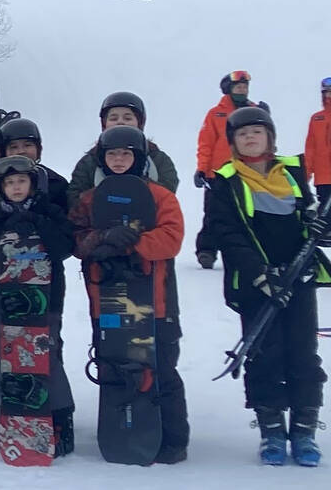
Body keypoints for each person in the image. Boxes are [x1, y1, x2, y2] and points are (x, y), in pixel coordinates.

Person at [205, 105, 327, 465]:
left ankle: (304, 430)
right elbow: (226, 232)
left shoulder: (291, 170)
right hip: (257, 283)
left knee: (303, 353)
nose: (250, 138)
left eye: (257, 132)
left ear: (269, 137)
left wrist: (317, 224)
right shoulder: (224, 180)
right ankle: (272, 430)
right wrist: (260, 273)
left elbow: (307, 215)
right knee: (264, 354)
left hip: (298, 276)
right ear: (233, 143)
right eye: (243, 134)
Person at [71, 125, 188, 463]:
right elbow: (76, 237)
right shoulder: (90, 198)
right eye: (112, 154)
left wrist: (133, 243)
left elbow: (172, 238)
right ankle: (122, 429)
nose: (119, 160)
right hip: (107, 299)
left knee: (162, 369)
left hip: (155, 302)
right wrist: (99, 241)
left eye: (126, 154)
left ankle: (172, 438)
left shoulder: (160, 196)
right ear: (102, 159)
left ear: (138, 158)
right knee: (117, 368)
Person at [0, 116, 74, 446]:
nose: (17, 185)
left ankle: (58, 417)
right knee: (12, 355)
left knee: (46, 352)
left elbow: (64, 245)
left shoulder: (53, 190)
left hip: (44, 293)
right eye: (13, 147)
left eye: (27, 146)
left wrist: (36, 220)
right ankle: (20, 417)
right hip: (3, 292)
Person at [196, 70, 264, 267]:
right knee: (213, 212)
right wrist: (202, 169)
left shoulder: (255, 111)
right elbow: (206, 143)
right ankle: (207, 250)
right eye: (238, 86)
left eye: (245, 86)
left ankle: (249, 251)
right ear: (229, 89)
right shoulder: (216, 113)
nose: (242, 89)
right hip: (218, 173)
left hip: (248, 171)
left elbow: (264, 140)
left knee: (249, 212)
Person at [70, 91, 181, 191]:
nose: (120, 122)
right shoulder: (90, 162)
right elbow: (75, 198)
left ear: (140, 123)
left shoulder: (157, 159)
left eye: (127, 118)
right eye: (113, 118)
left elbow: (167, 195)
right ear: (104, 124)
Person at [306, 79, 331, 209]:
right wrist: (306, 172)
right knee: (325, 218)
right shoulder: (316, 118)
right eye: (327, 92)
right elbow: (310, 147)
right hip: (323, 179)